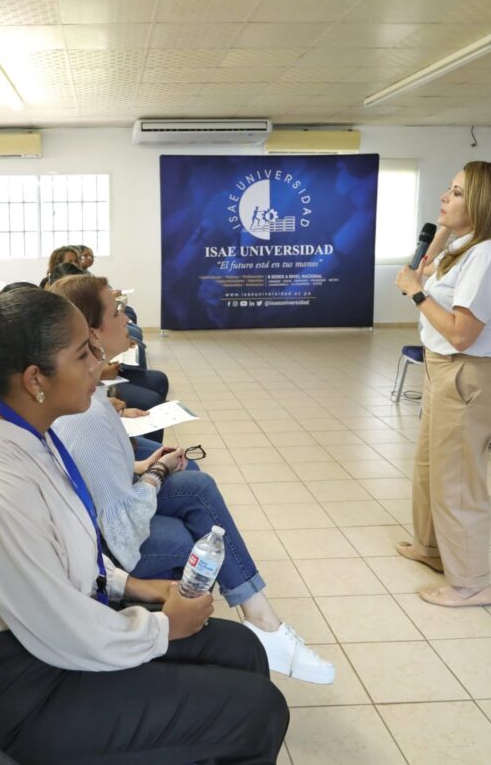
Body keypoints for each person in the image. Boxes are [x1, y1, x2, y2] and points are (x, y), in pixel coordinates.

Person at [0, 283, 289, 764]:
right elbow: (58, 626)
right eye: (83, 354)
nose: (98, 365)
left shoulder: (28, 431)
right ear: (36, 377)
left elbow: (65, 549)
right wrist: (163, 629)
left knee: (242, 649)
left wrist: (143, 588)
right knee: (257, 710)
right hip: (25, 693)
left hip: (52, 642)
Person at [50, 275, 334, 685]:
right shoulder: (88, 412)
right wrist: (157, 472)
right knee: (187, 530)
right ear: (90, 333)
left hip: (98, 509)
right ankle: (230, 635)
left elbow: (92, 473)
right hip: (101, 541)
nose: (127, 322)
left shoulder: (89, 397)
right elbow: (120, 527)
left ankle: (260, 618)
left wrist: (142, 468)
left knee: (196, 485)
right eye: (116, 313)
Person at [393, 161, 491, 609]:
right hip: (442, 369)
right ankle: (431, 548)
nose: (443, 199)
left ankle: (471, 583)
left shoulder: (490, 255)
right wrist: (442, 235)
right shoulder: (468, 247)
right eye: (447, 190)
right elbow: (431, 270)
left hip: (467, 372)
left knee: (459, 482)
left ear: (485, 203)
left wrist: (415, 291)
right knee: (430, 466)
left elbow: (460, 332)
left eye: (456, 193)